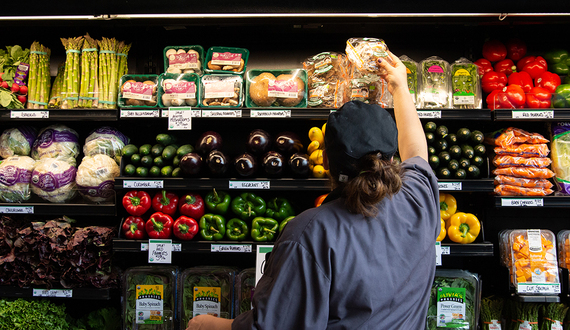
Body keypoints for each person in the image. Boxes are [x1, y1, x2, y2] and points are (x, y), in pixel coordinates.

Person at [186, 51, 440, 330]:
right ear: (392, 159)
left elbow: (275, 325)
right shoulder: (418, 200)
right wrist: (400, 87)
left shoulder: (309, 233)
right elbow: (417, 150)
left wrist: (210, 325)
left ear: (326, 161)